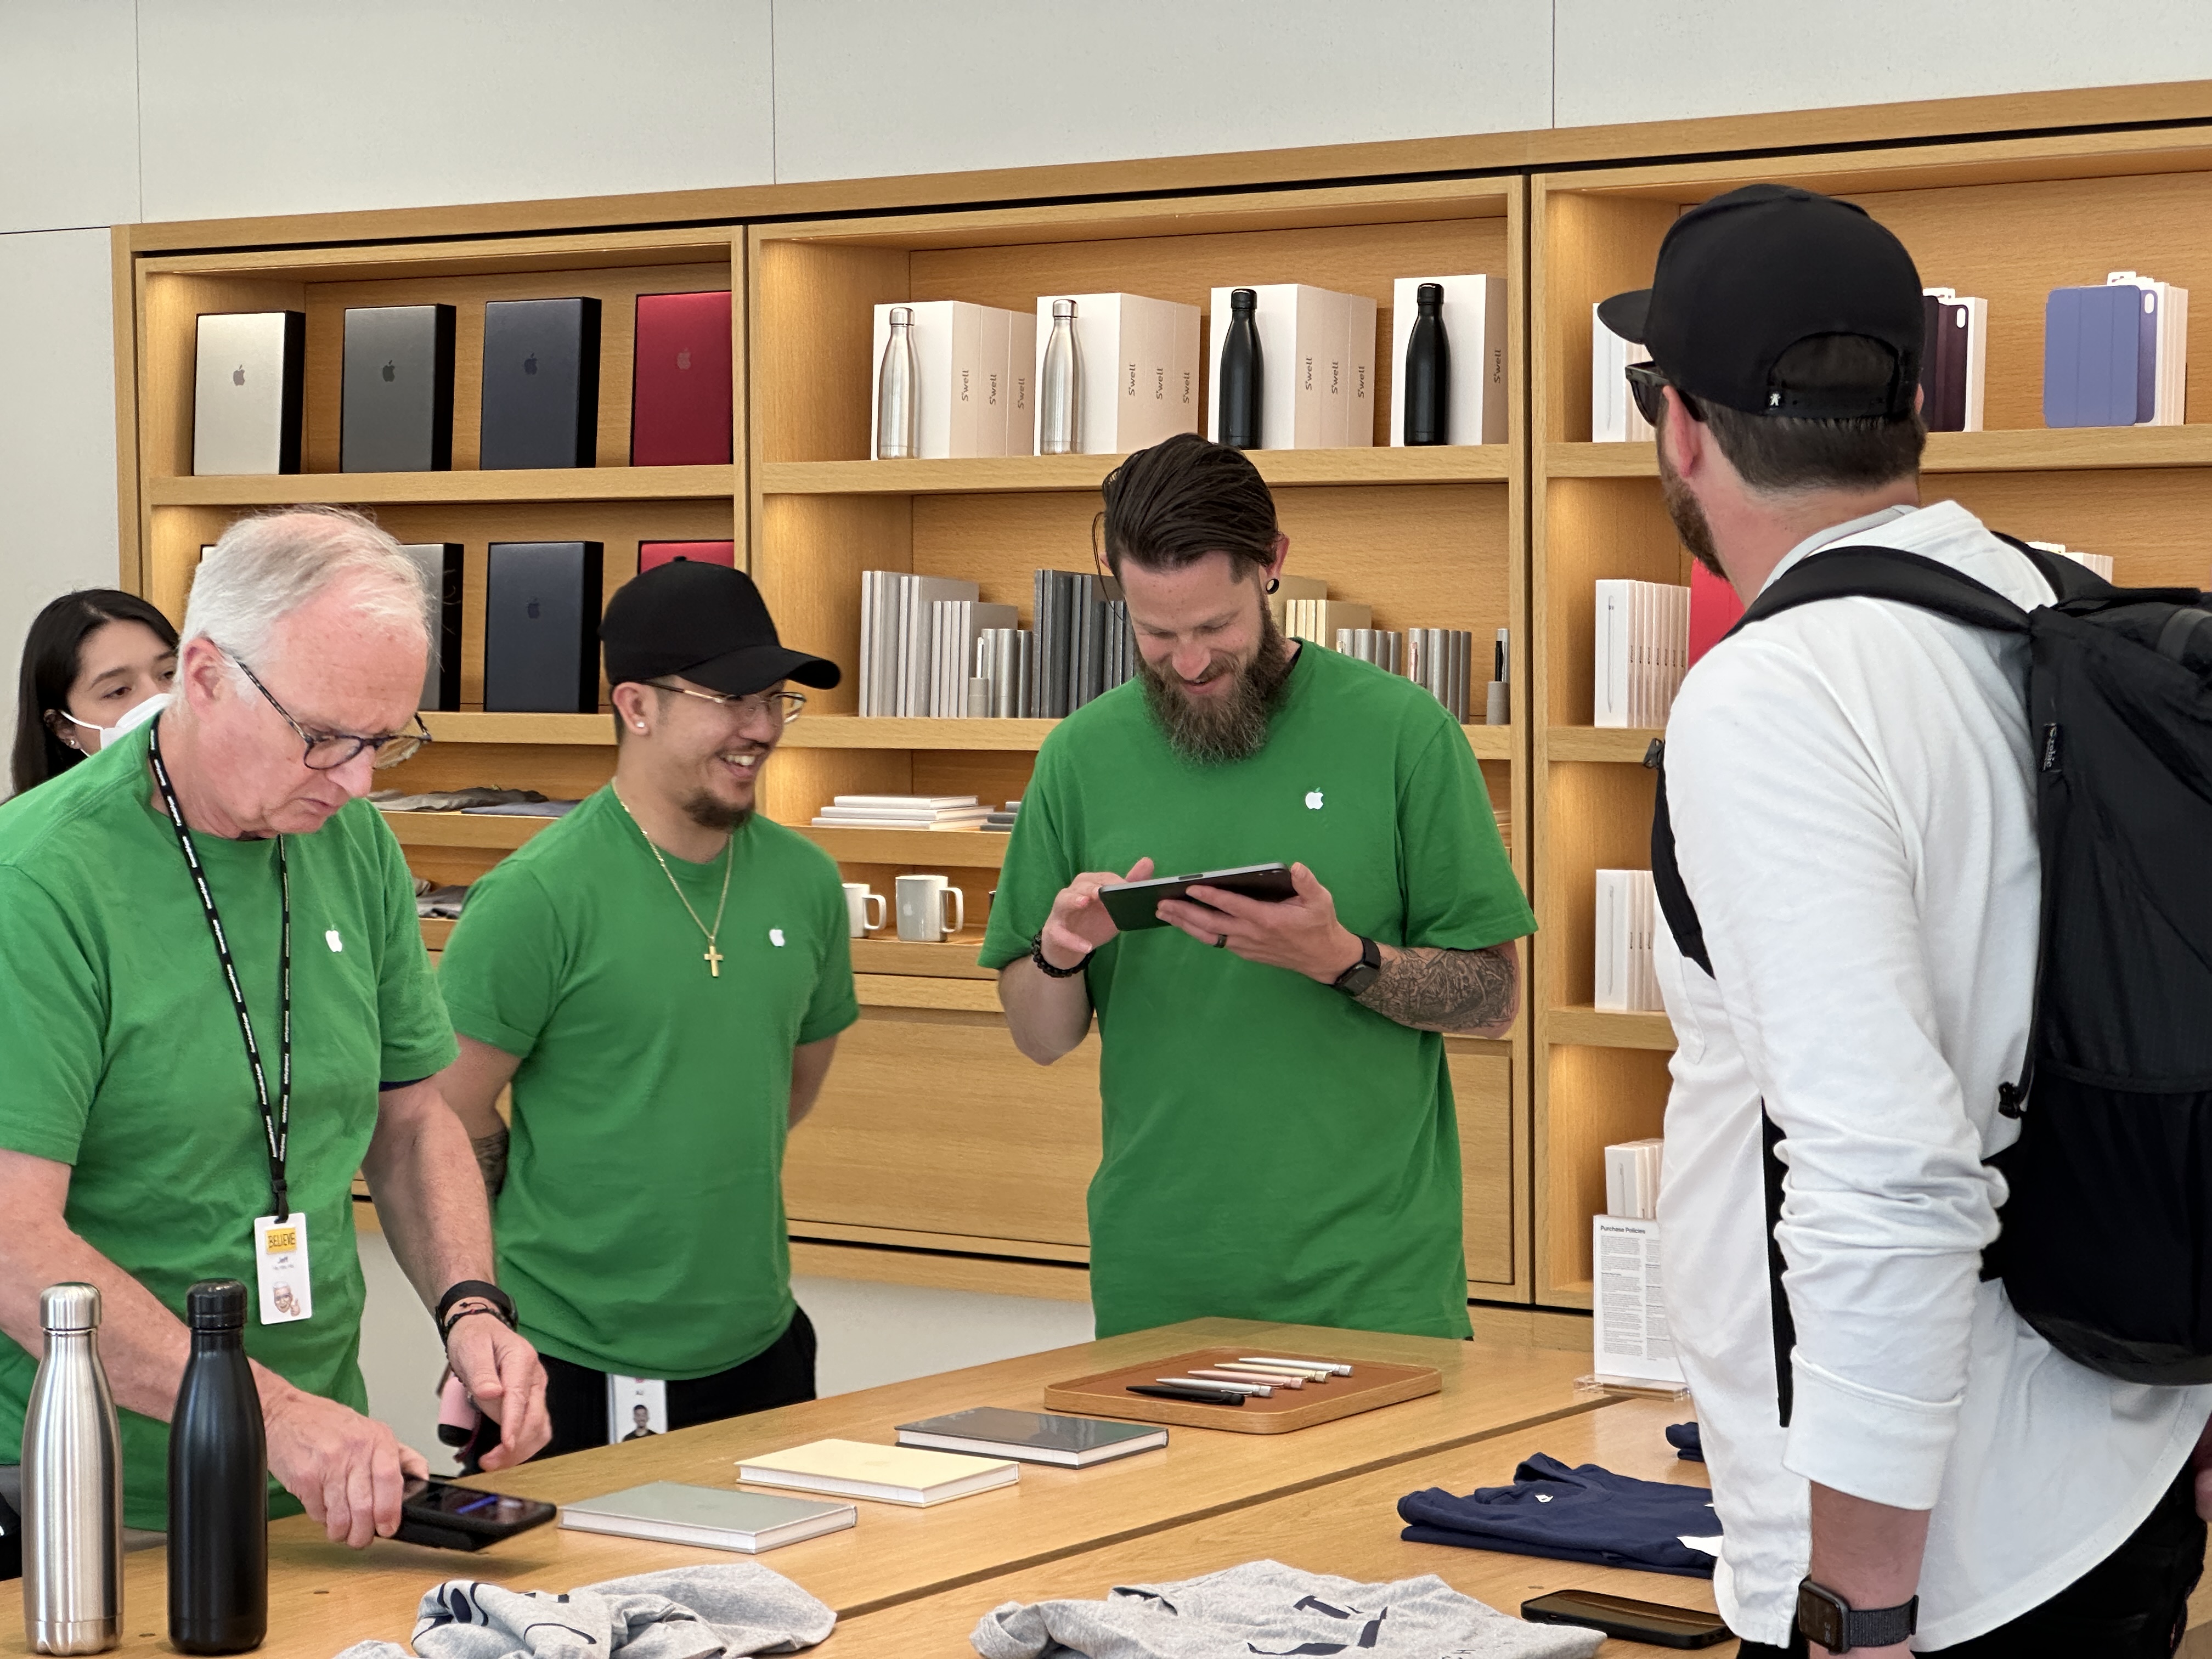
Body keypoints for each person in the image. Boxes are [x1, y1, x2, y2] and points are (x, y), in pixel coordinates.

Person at [1604, 184, 2212, 1656]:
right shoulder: (2057, 616)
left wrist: (1856, 1608)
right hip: (2123, 1467)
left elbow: (1884, 1171)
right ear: (1912, 407)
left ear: (1680, 426)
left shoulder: (1776, 694)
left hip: (1947, 1560)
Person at [0, 507, 551, 1548]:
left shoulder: (353, 843)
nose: (357, 780)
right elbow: (13, 1245)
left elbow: (411, 1119)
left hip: (316, 1483)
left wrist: (472, 1306)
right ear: (205, 676)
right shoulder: (37, 881)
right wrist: (277, 1415)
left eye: (383, 741)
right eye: (323, 737)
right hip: (91, 1497)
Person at [980, 433, 1533, 1341]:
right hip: (1155, 1286)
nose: (1189, 661)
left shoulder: (1403, 731)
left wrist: (1343, 958)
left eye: (1215, 627)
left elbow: (1493, 996)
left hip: (1374, 1291)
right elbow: (1040, 1039)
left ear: (1271, 564)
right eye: (1156, 634)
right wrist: (1060, 951)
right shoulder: (1078, 755)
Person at [433, 559, 854, 1460]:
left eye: (773, 699)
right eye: (731, 698)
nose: (761, 728)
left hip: (762, 1348)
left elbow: (785, 1089)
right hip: (566, 1362)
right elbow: (445, 1111)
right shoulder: (537, 896)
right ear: (635, 705)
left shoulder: (808, 883)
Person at [11, 588, 179, 795]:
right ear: (64, 727)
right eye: (118, 691)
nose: (157, 698)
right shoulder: (36, 817)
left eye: (170, 674)